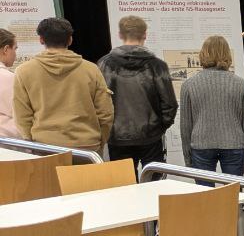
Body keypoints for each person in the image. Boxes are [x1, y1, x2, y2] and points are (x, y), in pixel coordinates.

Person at [12, 17, 113, 152]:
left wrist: (31, 140)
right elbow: (105, 112)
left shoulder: (23, 71)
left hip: (45, 146)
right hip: (87, 145)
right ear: (70, 39)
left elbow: (21, 114)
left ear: (41, 39)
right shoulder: (91, 69)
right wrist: (100, 141)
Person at [98, 15, 177, 173]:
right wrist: (160, 127)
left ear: (120, 35)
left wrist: (108, 129)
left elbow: (99, 102)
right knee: (155, 185)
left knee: (125, 187)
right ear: (145, 35)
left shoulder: (104, 64)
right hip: (151, 135)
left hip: (118, 137)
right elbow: (169, 103)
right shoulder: (157, 65)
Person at [180, 35, 244, 176]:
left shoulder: (189, 85)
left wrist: (188, 159)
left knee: (204, 196)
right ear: (227, 55)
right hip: (234, 144)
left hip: (201, 145)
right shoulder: (241, 84)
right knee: (233, 195)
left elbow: (185, 126)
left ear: (203, 54)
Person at [0, 28, 18, 138]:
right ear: (6, 49)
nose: (15, 54)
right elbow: (22, 115)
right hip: (8, 147)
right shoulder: (9, 78)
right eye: (15, 49)